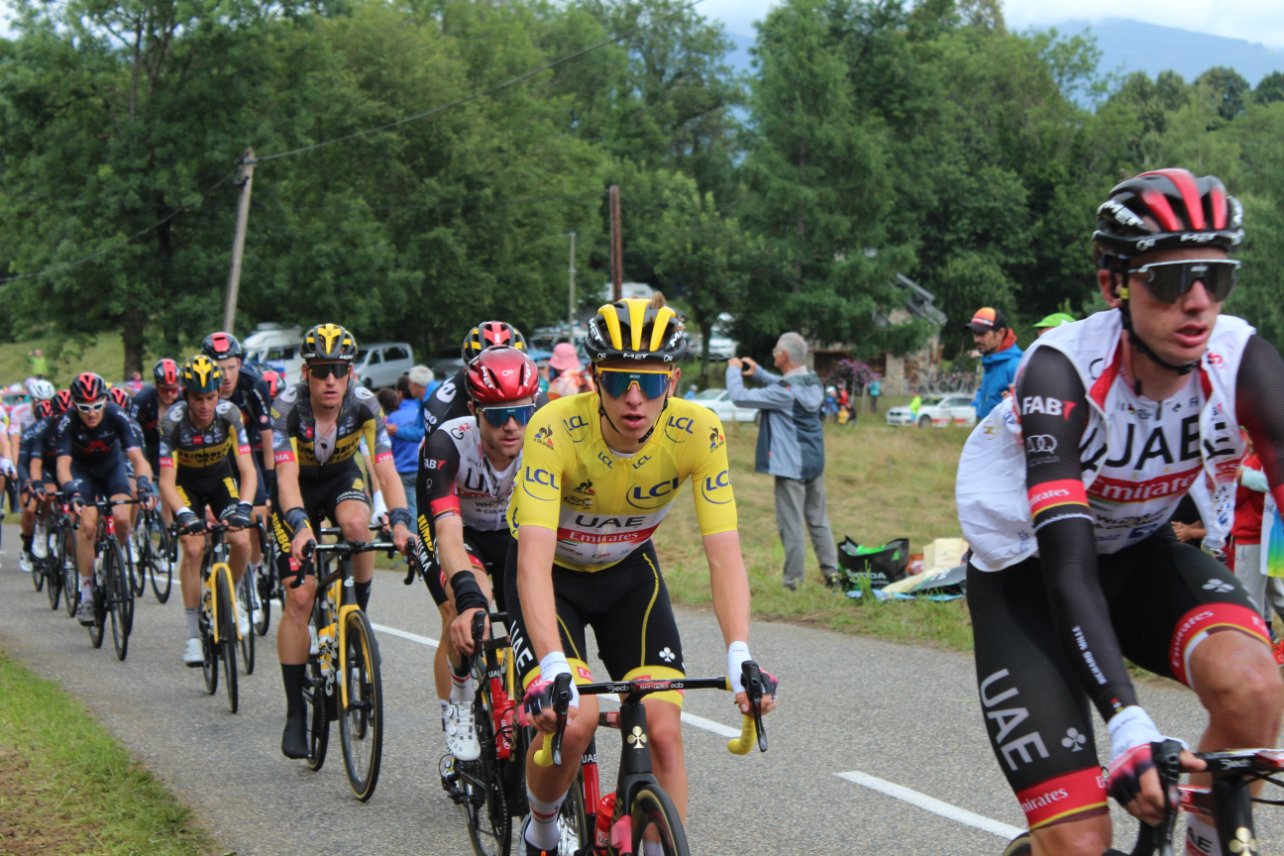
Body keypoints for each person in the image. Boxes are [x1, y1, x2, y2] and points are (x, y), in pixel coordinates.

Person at [956, 168, 1284, 855]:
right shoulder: (1061, 371)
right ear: (1115, 285)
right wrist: (1127, 720)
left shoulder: (1242, 359)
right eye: (1170, 280)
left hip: (1139, 555)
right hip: (1030, 579)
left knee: (1256, 687)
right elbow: (1069, 570)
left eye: (1215, 277)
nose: (1198, 302)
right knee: (1079, 843)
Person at [509, 295, 776, 856]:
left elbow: (725, 555)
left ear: (671, 382)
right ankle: (542, 826)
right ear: (594, 379)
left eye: (650, 382)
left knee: (664, 734)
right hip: (552, 577)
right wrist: (551, 665)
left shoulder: (698, 432)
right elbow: (531, 560)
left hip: (629, 573)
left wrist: (739, 653)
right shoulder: (554, 427)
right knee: (575, 721)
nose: (634, 397)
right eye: (618, 380)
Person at [269, 323, 414, 759]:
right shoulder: (286, 407)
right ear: (306, 373)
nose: (330, 379)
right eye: (321, 370)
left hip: (340, 479)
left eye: (339, 370)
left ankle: (357, 619)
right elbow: (285, 477)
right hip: (297, 491)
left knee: (356, 526)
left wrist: (401, 521)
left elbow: (385, 470)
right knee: (300, 598)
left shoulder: (365, 404)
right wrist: (299, 525)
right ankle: (295, 712)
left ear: (351, 372)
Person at [415, 346, 539, 766]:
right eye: (497, 415)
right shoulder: (447, 443)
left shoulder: (544, 440)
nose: (511, 425)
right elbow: (448, 530)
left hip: (511, 530)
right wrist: (468, 595)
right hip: (458, 531)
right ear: (474, 411)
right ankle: (460, 702)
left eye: (520, 413)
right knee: (468, 608)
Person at [157, 356, 258, 665]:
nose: (204, 405)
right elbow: (166, 481)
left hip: (220, 479)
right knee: (193, 547)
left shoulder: (230, 415)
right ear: (187, 395)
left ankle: (232, 597)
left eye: (210, 397)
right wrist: (184, 514)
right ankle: (192, 636)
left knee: (241, 541)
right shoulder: (172, 422)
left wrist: (244, 508)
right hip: (185, 484)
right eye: (197, 398)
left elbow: (247, 470)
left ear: (219, 394)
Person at [727, 332, 840, 590]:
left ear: (784, 355)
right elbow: (788, 385)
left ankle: (793, 583)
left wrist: (733, 370)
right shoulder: (813, 381)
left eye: (776, 351)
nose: (773, 354)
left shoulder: (783, 393)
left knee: (791, 526)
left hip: (791, 467)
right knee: (818, 520)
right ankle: (832, 575)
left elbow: (739, 397)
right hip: (815, 463)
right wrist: (759, 373)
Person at [55, 372, 156, 624]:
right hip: (82, 474)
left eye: (97, 405)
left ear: (105, 401)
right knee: (88, 526)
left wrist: (144, 485)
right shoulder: (67, 422)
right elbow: (63, 465)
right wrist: (71, 490)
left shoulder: (116, 415)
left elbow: (138, 459)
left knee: (122, 518)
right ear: (74, 405)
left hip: (112, 469)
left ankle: (115, 561)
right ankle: (87, 594)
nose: (91, 413)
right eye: (84, 407)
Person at [964, 306, 1023, 421]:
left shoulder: (1015, 365)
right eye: (975, 334)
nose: (976, 340)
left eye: (982, 334)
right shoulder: (989, 363)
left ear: (1000, 333)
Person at [381, 378, 420, 524]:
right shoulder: (422, 412)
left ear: (400, 393)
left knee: (411, 511)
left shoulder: (393, 418)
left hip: (403, 470)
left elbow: (385, 446)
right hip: (424, 468)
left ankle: (414, 537)